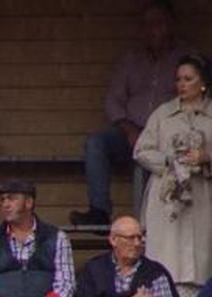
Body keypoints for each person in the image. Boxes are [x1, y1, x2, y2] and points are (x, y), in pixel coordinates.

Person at [73, 1, 190, 226]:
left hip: (168, 136)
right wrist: (129, 129)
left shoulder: (186, 59)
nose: (153, 30)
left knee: (156, 158)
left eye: (158, 23)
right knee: (96, 143)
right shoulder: (131, 59)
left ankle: (155, 223)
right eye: (148, 24)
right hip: (131, 133)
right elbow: (113, 100)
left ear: (171, 25)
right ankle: (99, 210)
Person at [134, 53, 212, 297]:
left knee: (200, 253)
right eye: (178, 79)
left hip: (202, 192)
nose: (182, 84)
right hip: (167, 194)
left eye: (188, 79)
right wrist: (169, 160)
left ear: (203, 82)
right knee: (166, 249)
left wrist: (206, 157)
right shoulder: (162, 114)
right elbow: (141, 150)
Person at [0, 179, 76, 297]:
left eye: (11, 199)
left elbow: (67, 284)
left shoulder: (57, 238)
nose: (5, 205)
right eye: (3, 200)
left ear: (29, 203)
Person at [73, 215, 180, 297]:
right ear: (113, 240)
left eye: (139, 238)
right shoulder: (93, 269)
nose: (137, 243)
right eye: (131, 238)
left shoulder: (156, 272)